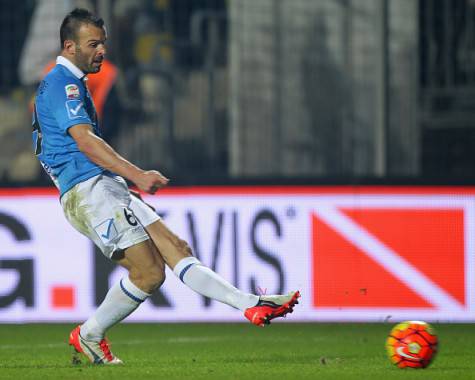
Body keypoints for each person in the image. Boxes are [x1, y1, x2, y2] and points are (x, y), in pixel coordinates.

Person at [32, 8, 300, 365]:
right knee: (149, 272)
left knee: (177, 246)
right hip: (88, 190)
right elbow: (85, 141)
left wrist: (122, 181)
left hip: (103, 185)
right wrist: (137, 174)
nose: (102, 50)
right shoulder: (62, 83)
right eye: (93, 44)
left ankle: (250, 304)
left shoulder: (73, 82)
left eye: (103, 43)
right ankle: (90, 334)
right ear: (69, 46)